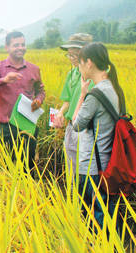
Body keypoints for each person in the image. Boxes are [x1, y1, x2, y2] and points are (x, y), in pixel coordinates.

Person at [72, 42, 126, 231]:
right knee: (108, 214)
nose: (78, 68)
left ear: (89, 63)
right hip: (108, 164)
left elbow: (76, 124)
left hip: (92, 167)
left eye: (79, 63)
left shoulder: (95, 94)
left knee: (96, 220)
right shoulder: (114, 88)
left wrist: (82, 94)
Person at [0, 31, 45, 171]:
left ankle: (29, 191)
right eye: (16, 45)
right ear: (7, 47)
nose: (20, 48)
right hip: (6, 126)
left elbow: (41, 91)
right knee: (7, 165)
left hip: (27, 124)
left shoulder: (34, 69)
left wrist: (39, 100)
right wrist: (3, 80)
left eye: (22, 44)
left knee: (28, 165)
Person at [52, 33, 94, 174]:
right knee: (71, 162)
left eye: (75, 55)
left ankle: (85, 194)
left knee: (87, 167)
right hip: (71, 125)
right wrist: (61, 112)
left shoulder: (98, 74)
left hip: (89, 128)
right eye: (69, 55)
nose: (71, 59)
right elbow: (68, 100)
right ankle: (72, 193)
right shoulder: (72, 74)